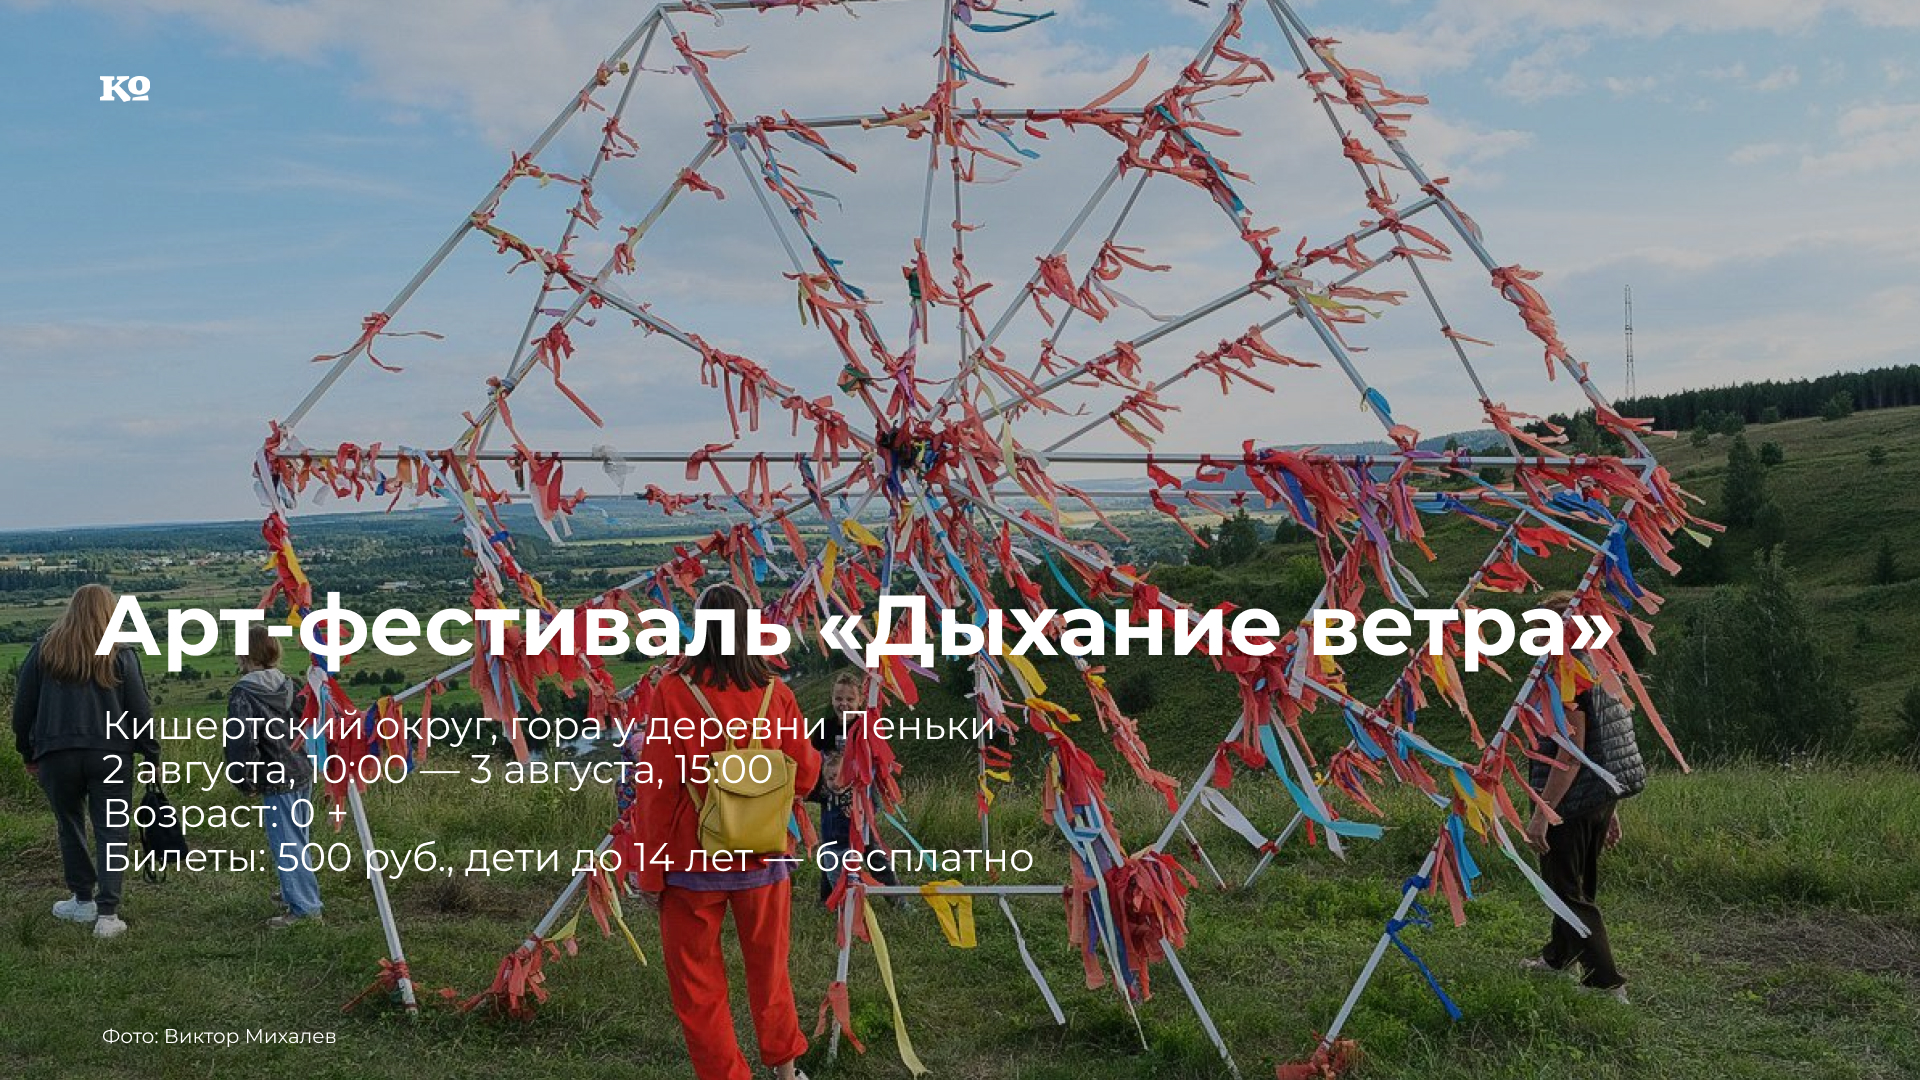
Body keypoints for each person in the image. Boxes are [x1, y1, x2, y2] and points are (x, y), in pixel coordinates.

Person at [636, 583, 821, 1080]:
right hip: (763, 856)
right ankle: (787, 1072)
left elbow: (655, 788)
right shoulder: (775, 693)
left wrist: (649, 871)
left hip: (690, 861)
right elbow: (805, 775)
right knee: (770, 971)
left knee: (697, 987)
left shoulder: (673, 691)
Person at [10, 584, 158, 939]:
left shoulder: (44, 650)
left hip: (56, 754)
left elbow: (22, 710)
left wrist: (28, 752)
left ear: (72, 608)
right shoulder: (121, 654)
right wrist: (151, 755)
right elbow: (140, 712)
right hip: (111, 755)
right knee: (112, 830)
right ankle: (107, 914)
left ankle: (82, 899)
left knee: (69, 825)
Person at [1522, 602, 1647, 1003]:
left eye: (1540, 630)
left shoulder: (1566, 679)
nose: (1533, 639)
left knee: (1567, 892)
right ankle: (1559, 958)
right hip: (1597, 797)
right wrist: (1611, 806)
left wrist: (1543, 812)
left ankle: (1606, 983)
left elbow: (1571, 754)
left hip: (1570, 800)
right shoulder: (1599, 669)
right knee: (1574, 884)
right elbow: (1605, 742)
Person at [222, 625, 323, 928]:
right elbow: (309, 724)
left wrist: (245, 779)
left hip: (275, 777)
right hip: (302, 770)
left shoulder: (244, 694)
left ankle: (304, 908)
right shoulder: (292, 685)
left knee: (287, 843)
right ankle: (293, 890)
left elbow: (242, 742)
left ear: (244, 655)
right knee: (298, 837)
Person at [810, 670, 899, 906]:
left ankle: (896, 898)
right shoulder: (824, 727)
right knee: (830, 847)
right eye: (839, 698)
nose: (844, 704)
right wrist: (818, 790)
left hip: (859, 800)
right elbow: (812, 759)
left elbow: (877, 761)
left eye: (850, 699)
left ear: (860, 700)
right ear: (832, 698)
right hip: (831, 798)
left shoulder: (864, 726)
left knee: (869, 847)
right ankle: (827, 899)